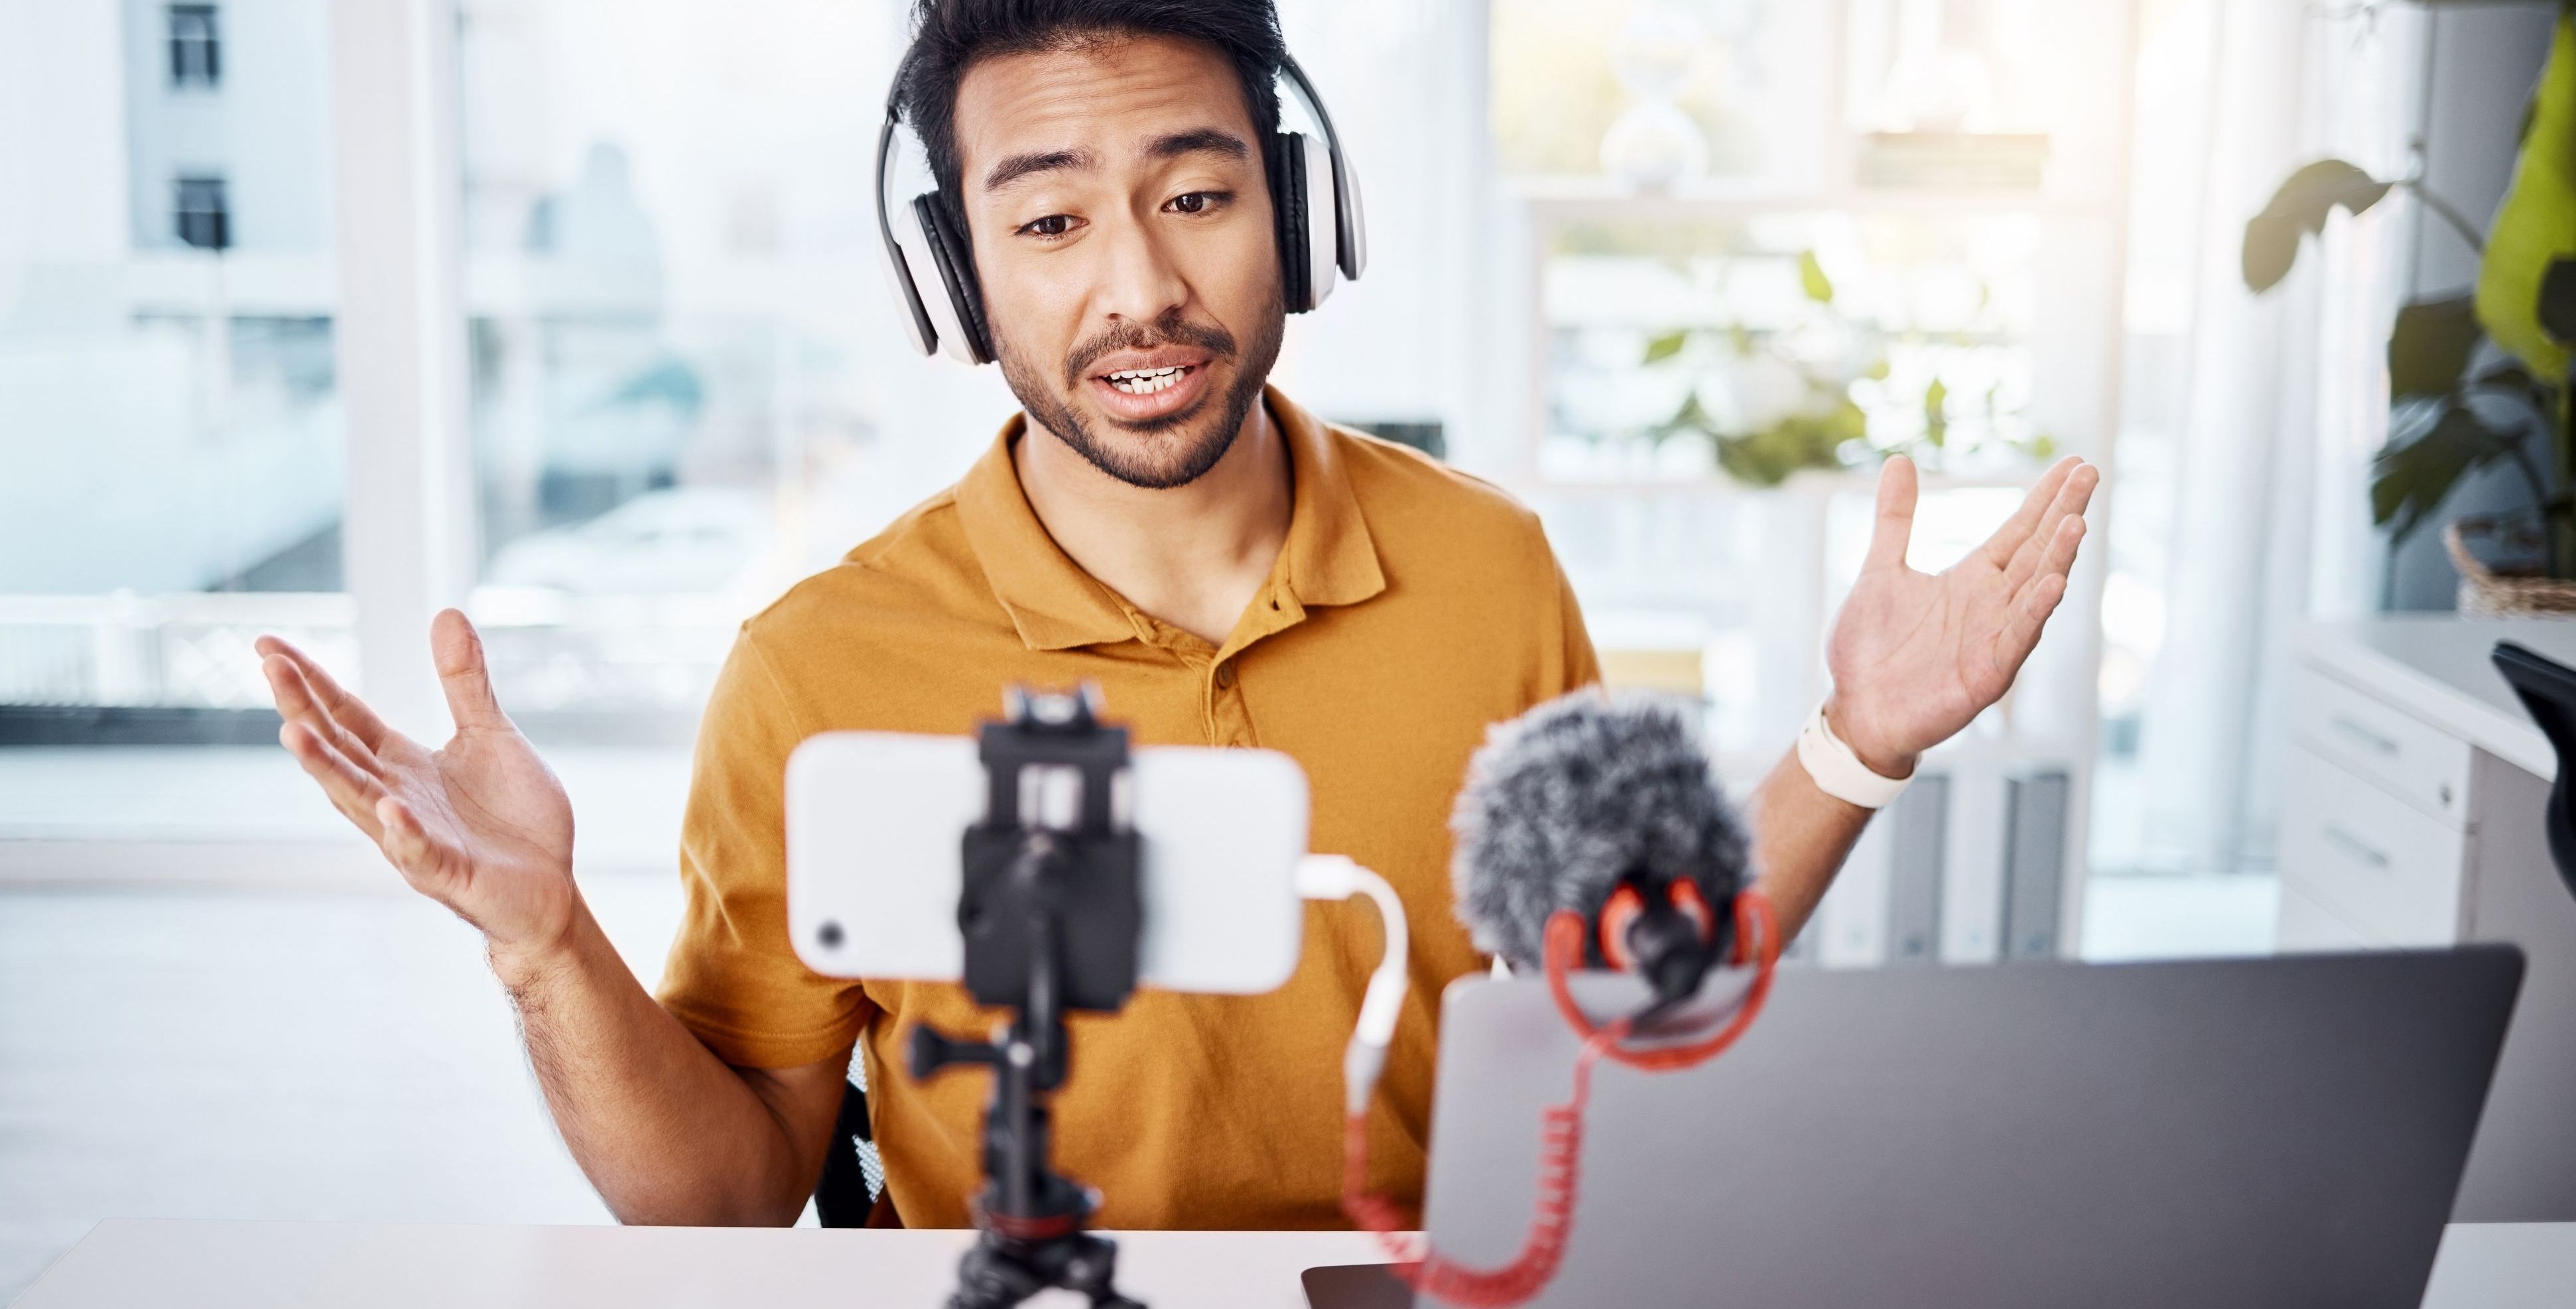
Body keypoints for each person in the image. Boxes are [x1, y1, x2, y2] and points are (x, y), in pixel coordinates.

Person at [257, 0, 2097, 1233]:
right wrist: (543, 943)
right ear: (962, 277)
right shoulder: (816, 674)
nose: (1138, 288)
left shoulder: (1486, 569)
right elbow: (728, 1203)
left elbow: (1633, 996)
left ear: (1286, 214)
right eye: (1048, 225)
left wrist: (1854, 744)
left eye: (1196, 196)